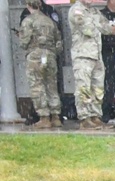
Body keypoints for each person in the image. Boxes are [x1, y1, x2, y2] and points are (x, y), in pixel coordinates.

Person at [69, 0, 115, 130]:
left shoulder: (94, 11)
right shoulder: (77, 10)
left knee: (98, 88)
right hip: (83, 56)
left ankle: (95, 116)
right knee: (84, 87)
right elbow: (88, 30)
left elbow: (107, 28)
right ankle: (85, 118)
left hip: (96, 56)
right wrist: (99, 25)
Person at [18, 0, 63, 129]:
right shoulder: (50, 21)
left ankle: (44, 117)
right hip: (50, 56)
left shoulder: (28, 21)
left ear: (28, 5)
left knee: (37, 86)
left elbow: (24, 42)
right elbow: (59, 43)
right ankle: (56, 116)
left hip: (35, 56)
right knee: (52, 86)